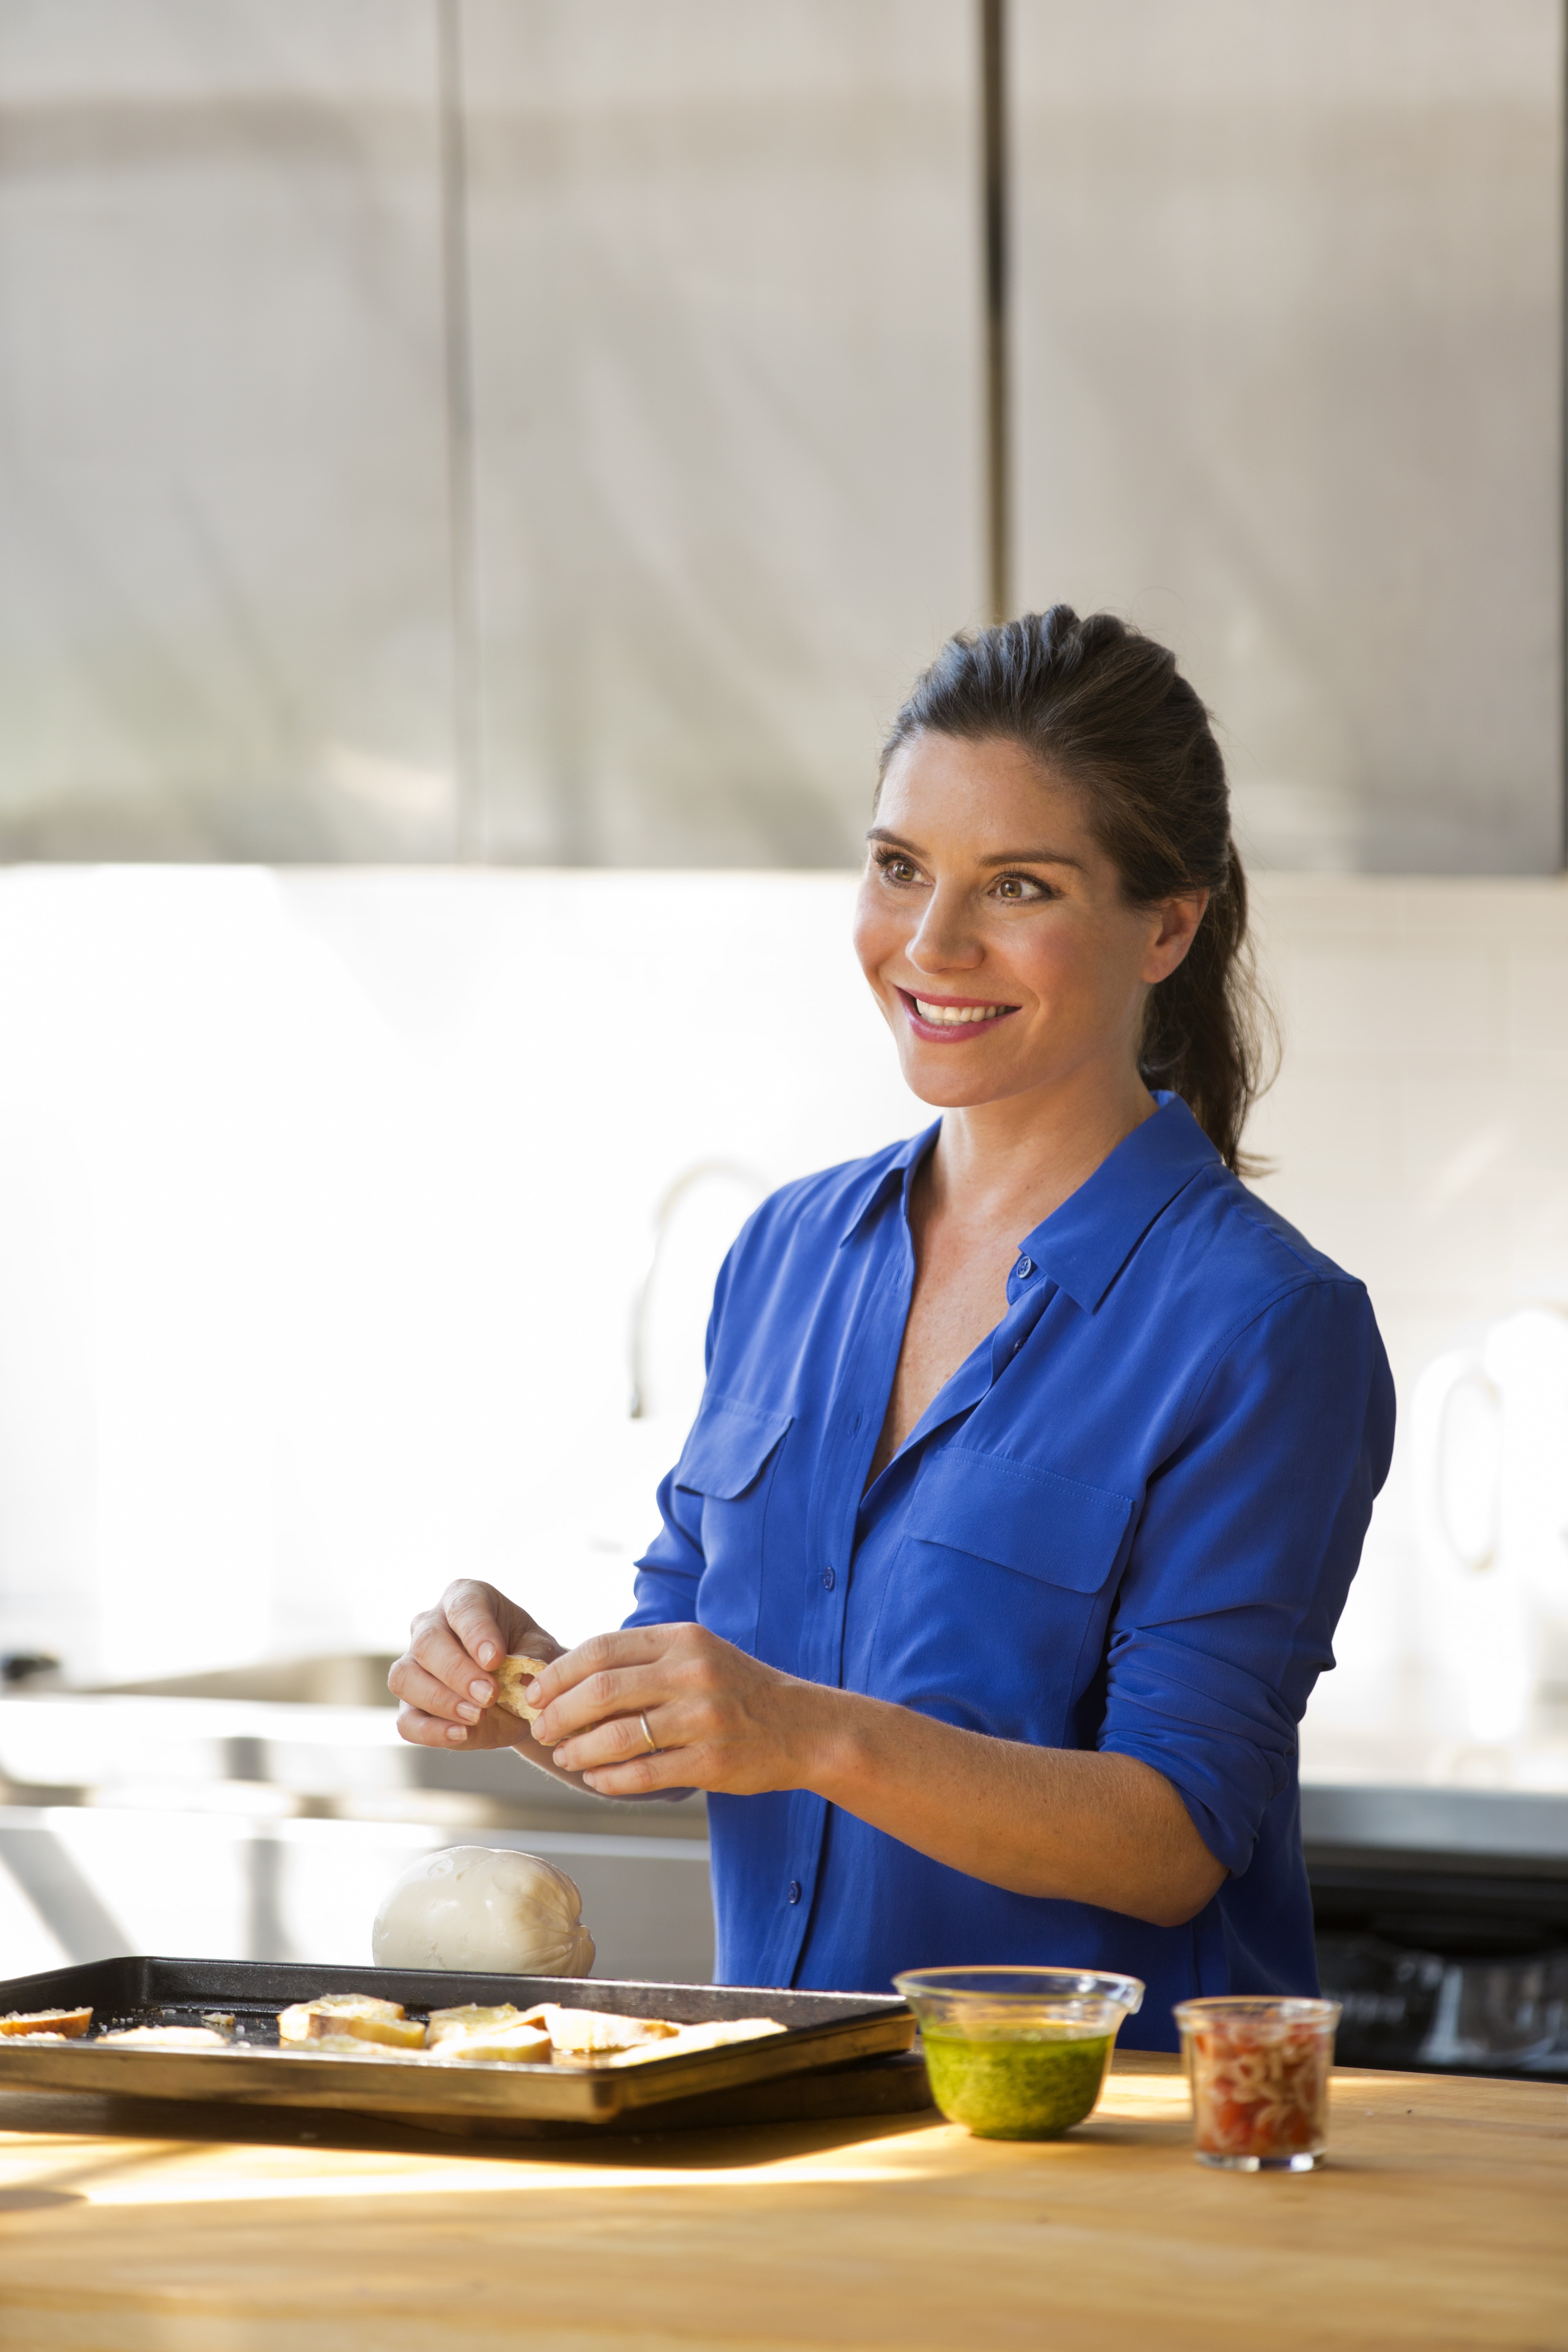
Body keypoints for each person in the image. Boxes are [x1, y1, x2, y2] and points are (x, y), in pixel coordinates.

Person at [390, 607, 1394, 2047]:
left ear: (1167, 924)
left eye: (1021, 886)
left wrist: (807, 1731)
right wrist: (544, 1685)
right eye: (899, 867)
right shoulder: (790, 1252)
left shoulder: (1266, 1330)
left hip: (1102, 2159)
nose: (932, 943)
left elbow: (1176, 1836)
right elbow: (702, 1672)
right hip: (794, 2112)